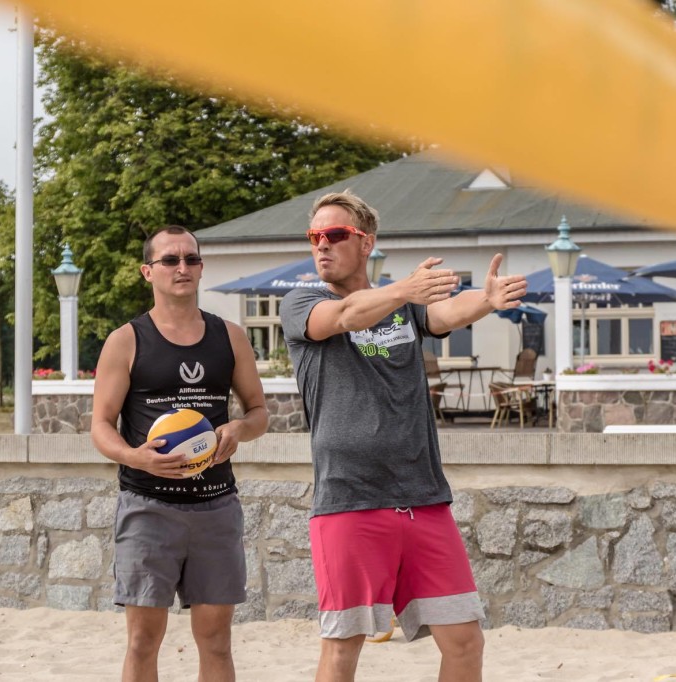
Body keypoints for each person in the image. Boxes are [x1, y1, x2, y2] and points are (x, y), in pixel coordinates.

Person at [280, 190, 528, 682]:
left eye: (334, 235)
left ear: (365, 242)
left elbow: (444, 314)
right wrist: (403, 290)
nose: (322, 245)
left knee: (464, 641)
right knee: (343, 646)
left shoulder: (404, 308)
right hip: (349, 501)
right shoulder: (301, 302)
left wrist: (486, 300)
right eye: (315, 237)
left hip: (423, 499)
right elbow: (347, 317)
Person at [91, 225, 268, 682]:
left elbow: (259, 413)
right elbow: (100, 426)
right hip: (148, 506)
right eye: (170, 260)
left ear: (201, 267)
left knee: (216, 642)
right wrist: (136, 457)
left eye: (191, 258)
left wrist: (238, 429)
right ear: (148, 271)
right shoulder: (126, 340)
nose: (182, 267)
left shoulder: (229, 336)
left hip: (216, 504)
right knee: (142, 641)